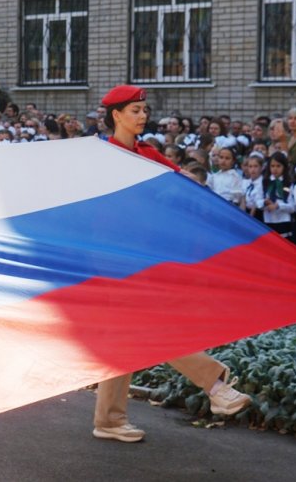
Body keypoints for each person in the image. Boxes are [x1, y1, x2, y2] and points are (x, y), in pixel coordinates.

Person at [94, 85, 252, 443]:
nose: (143, 116)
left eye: (144, 110)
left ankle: (109, 420)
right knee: (151, 329)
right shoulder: (101, 157)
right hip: (112, 263)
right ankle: (215, 385)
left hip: (145, 259)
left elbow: (183, 187)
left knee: (125, 338)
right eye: (135, 110)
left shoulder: (147, 153)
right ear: (116, 115)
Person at [262, 152, 294, 239]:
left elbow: (292, 207)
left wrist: (278, 205)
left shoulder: (288, 184)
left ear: (284, 167)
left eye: (278, 166)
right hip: (268, 220)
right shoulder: (265, 182)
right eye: (272, 166)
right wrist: (264, 202)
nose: (275, 169)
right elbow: (257, 200)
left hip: (283, 221)